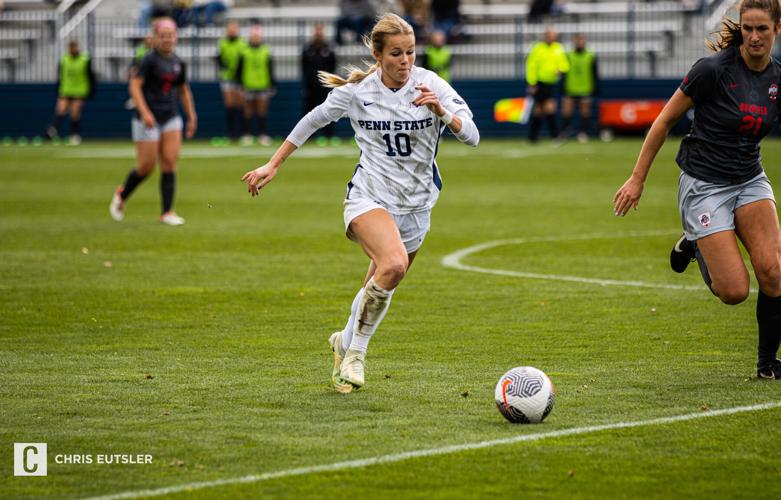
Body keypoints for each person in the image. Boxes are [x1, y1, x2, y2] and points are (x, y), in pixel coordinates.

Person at [241, 13, 479, 393]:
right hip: (369, 195)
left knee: (382, 280)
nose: (406, 61)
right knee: (394, 264)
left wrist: (442, 112)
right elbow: (313, 120)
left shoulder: (430, 84)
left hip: (417, 205)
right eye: (397, 53)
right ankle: (356, 355)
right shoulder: (359, 91)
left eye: (411, 52)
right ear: (378, 53)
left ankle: (344, 339)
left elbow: (473, 136)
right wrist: (273, 163)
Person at [614, 0, 781, 379]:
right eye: (749, 28)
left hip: (750, 179)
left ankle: (767, 365)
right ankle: (694, 240)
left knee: (773, 272)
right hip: (705, 185)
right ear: (741, 27)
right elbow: (663, 121)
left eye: (763, 29)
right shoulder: (713, 71)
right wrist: (637, 179)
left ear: (777, 30)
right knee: (734, 291)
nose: (754, 36)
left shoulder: (777, 80)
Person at [109, 18, 197, 226]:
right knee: (146, 166)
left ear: (175, 37)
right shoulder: (148, 60)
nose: (167, 40)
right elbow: (135, 87)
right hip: (147, 118)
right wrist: (145, 112)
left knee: (169, 162)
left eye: (171, 36)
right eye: (163, 36)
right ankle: (122, 195)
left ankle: (167, 212)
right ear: (156, 37)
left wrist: (192, 116)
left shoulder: (178, 62)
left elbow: (183, 91)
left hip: (171, 116)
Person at [46, 40, 96, 145]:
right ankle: (52, 131)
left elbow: (90, 75)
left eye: (75, 47)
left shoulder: (84, 59)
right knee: (60, 110)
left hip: (79, 90)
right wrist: (58, 89)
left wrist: (91, 90)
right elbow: (60, 75)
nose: (73, 49)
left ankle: (75, 135)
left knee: (75, 113)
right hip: (66, 90)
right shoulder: (64, 59)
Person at [525, 26, 569, 143]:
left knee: (542, 109)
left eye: (553, 35)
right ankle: (554, 135)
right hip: (540, 83)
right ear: (545, 36)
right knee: (544, 108)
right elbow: (531, 66)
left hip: (552, 83)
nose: (550, 37)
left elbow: (564, 64)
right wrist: (532, 83)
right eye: (549, 35)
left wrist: (561, 70)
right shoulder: (538, 48)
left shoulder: (558, 48)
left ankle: (534, 137)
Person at [235, 25, 275, 146]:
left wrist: (272, 84)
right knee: (248, 111)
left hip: (263, 84)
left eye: (257, 37)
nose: (255, 39)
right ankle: (246, 135)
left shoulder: (266, 51)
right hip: (248, 85)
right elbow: (239, 69)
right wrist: (240, 84)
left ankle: (262, 135)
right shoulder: (244, 52)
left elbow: (270, 68)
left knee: (262, 110)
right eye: (254, 37)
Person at [301, 24, 337, 145]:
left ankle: (328, 136)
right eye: (317, 32)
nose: (318, 34)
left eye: (320, 32)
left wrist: (329, 83)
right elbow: (304, 67)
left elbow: (333, 66)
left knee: (328, 110)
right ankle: (310, 136)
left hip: (324, 86)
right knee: (310, 111)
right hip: (311, 86)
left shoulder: (329, 48)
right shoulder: (307, 49)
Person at [560, 33, 599, 143]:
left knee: (585, 112)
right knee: (566, 111)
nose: (580, 42)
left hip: (585, 88)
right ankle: (564, 132)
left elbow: (594, 73)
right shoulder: (569, 55)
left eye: (581, 40)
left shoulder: (590, 55)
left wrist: (595, 88)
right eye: (578, 40)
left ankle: (583, 133)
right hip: (570, 87)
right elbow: (564, 72)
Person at [218, 21, 246, 142]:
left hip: (239, 79)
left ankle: (241, 133)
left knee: (240, 105)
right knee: (229, 105)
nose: (232, 31)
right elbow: (220, 58)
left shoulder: (242, 44)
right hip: (227, 78)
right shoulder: (222, 43)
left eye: (234, 29)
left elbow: (244, 61)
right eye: (230, 29)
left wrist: (240, 76)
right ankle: (230, 134)